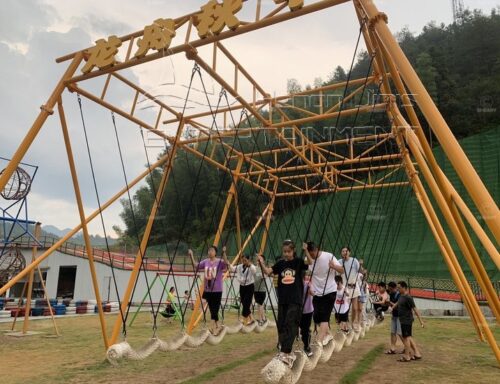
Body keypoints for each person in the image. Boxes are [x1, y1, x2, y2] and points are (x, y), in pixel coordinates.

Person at [258, 239, 308, 368]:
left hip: (295, 299)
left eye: (289, 251)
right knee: (281, 325)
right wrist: (262, 263)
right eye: (284, 251)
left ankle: (286, 352)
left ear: (293, 251)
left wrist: (306, 250)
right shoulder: (280, 264)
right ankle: (285, 350)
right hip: (283, 300)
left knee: (290, 324)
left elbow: (311, 264)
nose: (286, 254)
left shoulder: (298, 262)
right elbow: (268, 272)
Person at [302, 241, 344, 345]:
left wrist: (333, 266)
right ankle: (328, 333)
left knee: (325, 318)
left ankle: (318, 342)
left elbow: (342, 270)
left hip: (330, 291)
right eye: (309, 255)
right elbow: (308, 264)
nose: (311, 257)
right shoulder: (308, 259)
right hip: (317, 293)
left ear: (317, 250)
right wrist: (306, 251)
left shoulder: (329, 256)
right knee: (317, 318)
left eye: (312, 254)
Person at [188, 245, 229, 335]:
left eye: (212, 250)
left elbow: (227, 264)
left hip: (217, 289)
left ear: (215, 252)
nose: (210, 252)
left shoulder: (219, 262)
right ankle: (217, 326)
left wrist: (224, 253)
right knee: (212, 309)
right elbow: (196, 266)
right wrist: (191, 255)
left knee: (215, 309)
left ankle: (211, 328)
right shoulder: (205, 261)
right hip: (208, 289)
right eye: (209, 250)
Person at [390, 281, 424, 362]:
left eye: (399, 288)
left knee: (406, 338)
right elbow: (399, 302)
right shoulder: (402, 296)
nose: (398, 289)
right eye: (397, 288)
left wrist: (421, 321)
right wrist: (394, 306)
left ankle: (407, 356)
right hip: (403, 320)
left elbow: (415, 309)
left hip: (406, 320)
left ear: (404, 288)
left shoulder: (408, 297)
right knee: (408, 337)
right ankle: (417, 354)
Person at [230, 254, 257, 325]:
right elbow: (232, 269)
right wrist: (227, 262)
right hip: (242, 286)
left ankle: (244, 319)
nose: (244, 261)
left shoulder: (251, 267)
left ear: (248, 260)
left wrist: (250, 265)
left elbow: (254, 271)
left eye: (245, 260)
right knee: (243, 302)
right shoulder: (239, 266)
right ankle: (252, 319)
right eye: (243, 260)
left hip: (249, 286)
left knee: (246, 303)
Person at [340, 246, 361, 330]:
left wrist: (361, 265)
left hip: (354, 287)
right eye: (343, 251)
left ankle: (353, 323)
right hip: (345, 288)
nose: (345, 252)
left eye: (346, 251)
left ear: (349, 252)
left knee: (355, 308)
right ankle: (345, 324)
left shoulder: (354, 260)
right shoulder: (339, 262)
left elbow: (360, 270)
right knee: (345, 308)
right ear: (341, 253)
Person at [385, 281, 403, 354]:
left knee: (400, 333)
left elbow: (398, 306)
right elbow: (390, 306)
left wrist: (389, 302)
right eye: (389, 290)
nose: (390, 291)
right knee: (392, 332)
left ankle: (407, 346)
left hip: (400, 316)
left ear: (394, 288)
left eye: (391, 289)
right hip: (394, 315)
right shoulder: (391, 294)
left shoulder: (399, 295)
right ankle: (392, 349)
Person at [300, 271, 314, 357]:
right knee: (303, 330)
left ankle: (307, 347)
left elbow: (312, 292)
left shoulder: (307, 284)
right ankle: (305, 338)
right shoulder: (296, 286)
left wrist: (310, 289)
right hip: (299, 311)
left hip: (308, 310)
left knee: (305, 330)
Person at [254, 254, 270, 325]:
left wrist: (264, 277)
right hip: (255, 289)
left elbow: (267, 275)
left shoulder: (264, 268)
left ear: (263, 260)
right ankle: (263, 318)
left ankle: (260, 320)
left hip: (262, 289)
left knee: (260, 304)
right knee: (259, 304)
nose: (258, 260)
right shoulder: (254, 268)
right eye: (257, 259)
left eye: (260, 259)